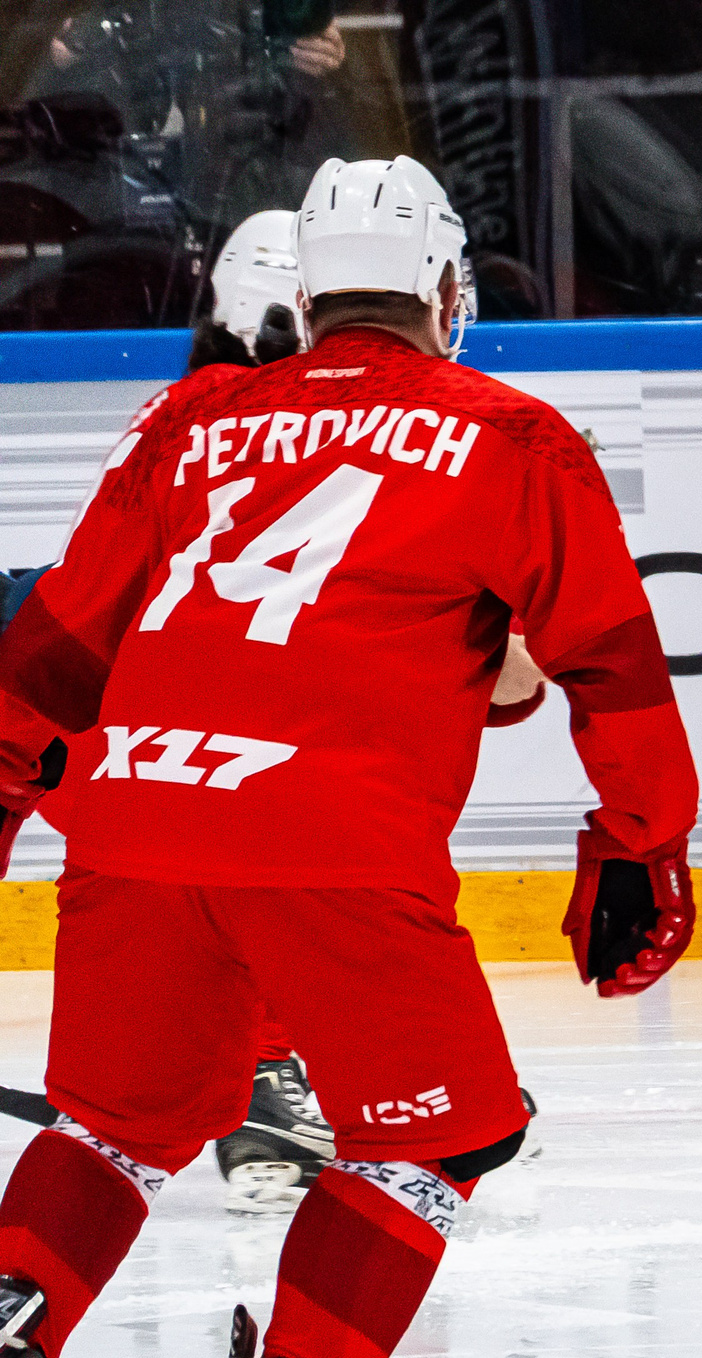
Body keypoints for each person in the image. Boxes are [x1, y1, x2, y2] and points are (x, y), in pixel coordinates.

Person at [0, 155, 698, 1358]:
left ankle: (5, 1325)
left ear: (303, 301)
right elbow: (610, 664)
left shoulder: (189, 419)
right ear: (449, 291)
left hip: (133, 819)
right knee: (453, 1128)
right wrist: (643, 842)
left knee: (117, 1130)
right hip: (328, 831)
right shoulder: (508, 434)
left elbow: (55, 652)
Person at [6, 208, 548, 1215]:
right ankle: (263, 1069)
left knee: (229, 857)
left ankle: (250, 1068)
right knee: (279, 840)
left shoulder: (206, 411)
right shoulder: (302, 424)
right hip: (121, 712)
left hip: (88, 697)